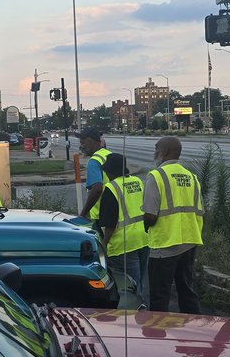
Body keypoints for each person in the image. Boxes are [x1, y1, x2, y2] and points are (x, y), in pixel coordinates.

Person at [142, 135, 203, 312]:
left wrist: (146, 226)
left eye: (156, 149)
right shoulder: (191, 177)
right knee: (187, 291)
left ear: (165, 152)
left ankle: (159, 334)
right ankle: (192, 331)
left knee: (160, 295)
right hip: (190, 241)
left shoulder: (156, 176)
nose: (155, 153)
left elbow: (150, 215)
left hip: (165, 244)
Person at [97, 153, 148, 300]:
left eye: (106, 170)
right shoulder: (138, 181)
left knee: (129, 286)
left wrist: (103, 246)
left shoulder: (111, 188)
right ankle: (140, 309)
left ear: (111, 171)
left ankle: (135, 314)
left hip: (124, 244)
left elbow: (110, 224)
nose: (105, 173)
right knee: (139, 282)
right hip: (144, 239)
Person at [78, 128, 110, 220]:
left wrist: (83, 214)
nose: (81, 147)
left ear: (90, 141)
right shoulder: (109, 154)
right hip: (116, 211)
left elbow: (97, 189)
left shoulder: (94, 161)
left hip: (102, 214)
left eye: (82, 143)